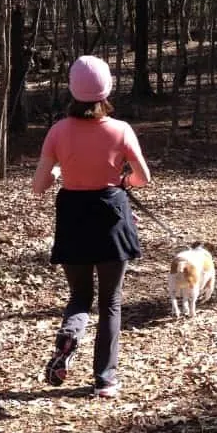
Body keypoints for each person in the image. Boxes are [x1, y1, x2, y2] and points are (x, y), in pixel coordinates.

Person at [32, 55, 151, 398]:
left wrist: (57, 172)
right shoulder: (121, 129)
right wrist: (123, 178)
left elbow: (39, 186)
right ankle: (105, 379)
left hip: (73, 217)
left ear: (72, 89)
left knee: (80, 296)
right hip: (112, 215)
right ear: (107, 89)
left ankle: (70, 336)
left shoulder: (57, 131)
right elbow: (143, 177)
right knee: (111, 301)